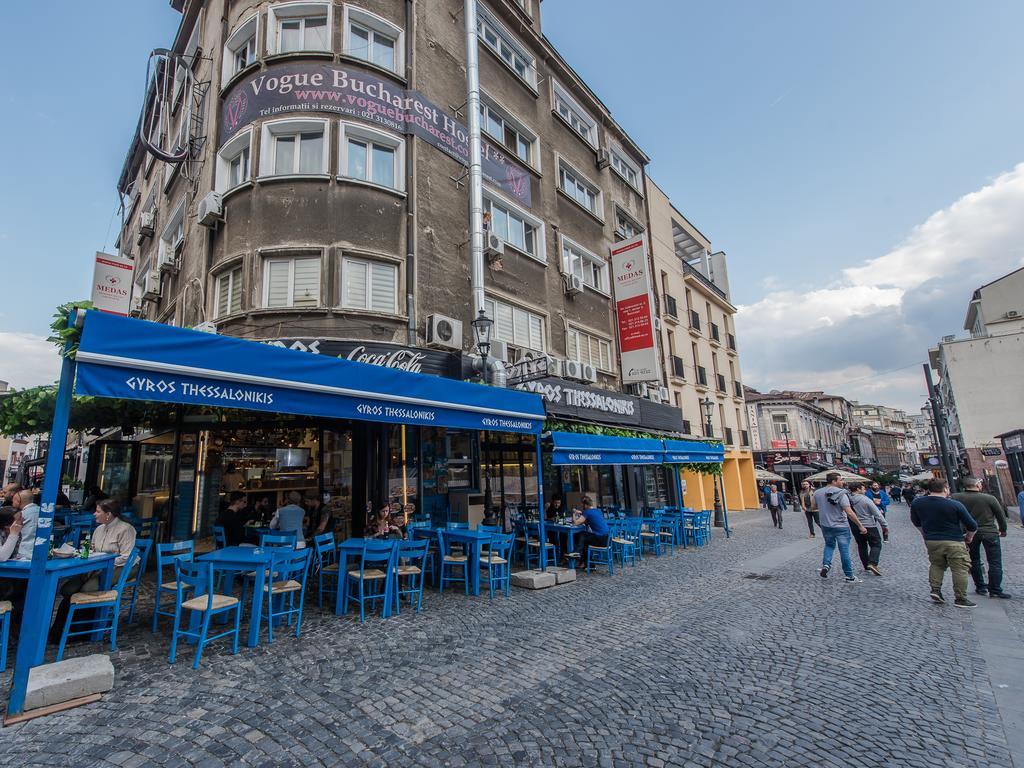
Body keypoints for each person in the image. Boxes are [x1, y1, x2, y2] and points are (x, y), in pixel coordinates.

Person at [49, 498, 137, 644]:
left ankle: (82, 629)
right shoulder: (98, 530)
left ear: (108, 514)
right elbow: (94, 550)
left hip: (122, 566)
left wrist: (103, 565)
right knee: (68, 589)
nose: (94, 514)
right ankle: (61, 630)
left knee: (89, 588)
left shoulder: (126, 529)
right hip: (98, 566)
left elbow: (126, 557)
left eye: (97, 511)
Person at [910, 477, 978, 607]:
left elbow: (916, 521)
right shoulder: (954, 504)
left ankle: (935, 590)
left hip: (932, 540)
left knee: (936, 564)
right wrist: (969, 537)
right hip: (954, 540)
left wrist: (924, 533)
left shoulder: (918, 503)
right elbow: (972, 525)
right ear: (945, 489)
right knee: (959, 569)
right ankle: (960, 598)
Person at [952, 478, 1010, 599]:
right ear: (978, 485)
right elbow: (1000, 516)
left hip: (968, 532)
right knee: (995, 562)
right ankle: (995, 590)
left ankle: (980, 586)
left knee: (974, 560)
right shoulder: (989, 498)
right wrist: (1003, 530)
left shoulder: (956, 497)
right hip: (989, 532)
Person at [813, 472, 867, 583]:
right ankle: (849, 576)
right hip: (841, 526)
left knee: (829, 545)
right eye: (841, 480)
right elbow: (849, 512)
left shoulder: (817, 492)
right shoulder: (841, 493)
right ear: (834, 481)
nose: (843, 482)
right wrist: (860, 525)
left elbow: (814, 506)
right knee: (844, 550)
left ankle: (826, 565)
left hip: (825, 525)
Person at [848, 482, 888, 576]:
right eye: (863, 489)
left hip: (855, 526)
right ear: (858, 489)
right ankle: (873, 563)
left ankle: (866, 565)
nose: (865, 490)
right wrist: (884, 525)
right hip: (869, 525)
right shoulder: (865, 499)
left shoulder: (848, 499)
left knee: (862, 545)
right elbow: (877, 513)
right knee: (876, 544)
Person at [571, 498, 609, 565]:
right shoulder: (598, 511)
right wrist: (582, 514)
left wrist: (574, 513)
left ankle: (577, 552)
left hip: (599, 539)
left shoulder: (587, 512)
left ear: (585, 505)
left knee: (582, 534)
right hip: (607, 540)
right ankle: (588, 564)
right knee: (585, 542)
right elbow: (590, 521)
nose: (582, 507)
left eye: (582, 505)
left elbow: (575, 523)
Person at [11, 489, 39, 561]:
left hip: (23, 554)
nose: (12, 502)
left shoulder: (21, 515)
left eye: (13, 500)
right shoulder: (42, 511)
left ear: (18, 501)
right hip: (40, 551)